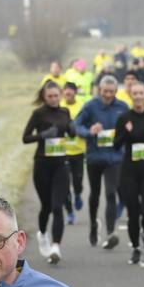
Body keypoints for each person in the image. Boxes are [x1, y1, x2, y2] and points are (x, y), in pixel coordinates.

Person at [22, 81, 76, 264]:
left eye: (56, 96)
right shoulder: (38, 114)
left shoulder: (65, 112)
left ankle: (55, 247)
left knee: (57, 206)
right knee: (46, 206)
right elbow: (25, 138)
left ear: (60, 95)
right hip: (42, 164)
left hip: (61, 164)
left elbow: (71, 132)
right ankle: (43, 234)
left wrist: (72, 129)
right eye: (50, 96)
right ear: (44, 97)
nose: (53, 99)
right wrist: (42, 136)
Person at [73, 75, 128, 249]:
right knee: (95, 194)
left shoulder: (122, 107)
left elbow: (131, 127)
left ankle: (111, 232)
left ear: (116, 91)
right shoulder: (90, 106)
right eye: (105, 91)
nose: (108, 95)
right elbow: (76, 125)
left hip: (115, 157)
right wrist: (89, 131)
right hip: (95, 157)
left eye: (111, 92)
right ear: (99, 90)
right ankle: (93, 225)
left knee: (111, 193)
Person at [114, 82, 144, 265]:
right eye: (134, 93)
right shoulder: (124, 118)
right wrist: (126, 133)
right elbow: (116, 145)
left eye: (141, 93)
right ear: (130, 95)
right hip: (130, 172)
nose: (138, 97)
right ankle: (135, 248)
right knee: (133, 213)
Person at [59, 82, 88, 226]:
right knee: (63, 185)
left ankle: (77, 194)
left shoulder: (82, 106)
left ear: (75, 93)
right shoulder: (59, 106)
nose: (68, 93)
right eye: (66, 91)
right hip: (62, 152)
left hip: (78, 150)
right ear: (63, 93)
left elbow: (87, 124)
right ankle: (69, 212)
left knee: (77, 182)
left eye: (71, 91)